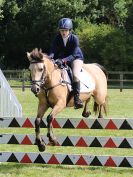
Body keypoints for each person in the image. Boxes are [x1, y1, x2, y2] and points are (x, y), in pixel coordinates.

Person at [49, 18, 84, 109]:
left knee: (75, 75)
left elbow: (73, 55)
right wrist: (50, 58)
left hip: (76, 58)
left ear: (70, 30)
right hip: (62, 58)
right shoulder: (57, 38)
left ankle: (77, 99)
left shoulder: (74, 39)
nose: (63, 32)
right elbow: (53, 50)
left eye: (65, 30)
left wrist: (63, 60)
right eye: (61, 30)